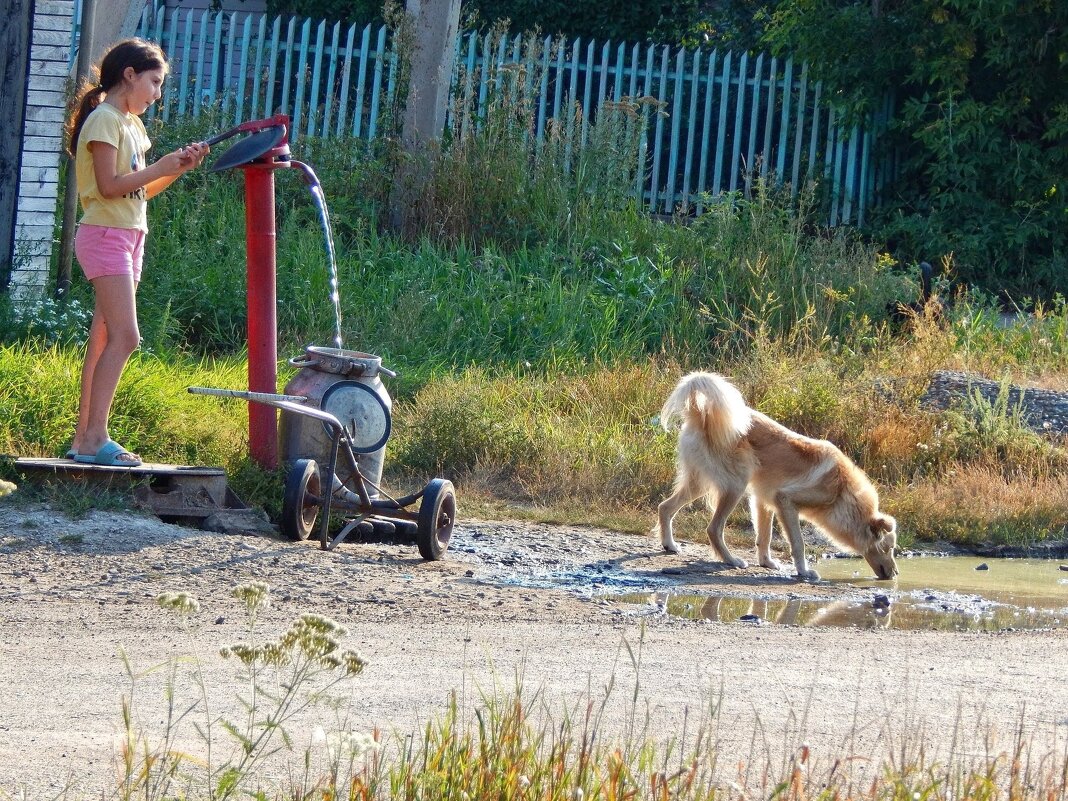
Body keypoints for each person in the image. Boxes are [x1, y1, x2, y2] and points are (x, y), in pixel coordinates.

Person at [64, 38, 209, 466]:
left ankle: (82, 440)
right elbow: (109, 187)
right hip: (105, 234)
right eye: (154, 82)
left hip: (129, 233)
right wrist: (159, 166)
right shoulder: (105, 120)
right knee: (127, 337)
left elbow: (140, 190)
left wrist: (174, 169)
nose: (157, 95)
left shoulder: (132, 126)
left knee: (105, 338)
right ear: (129, 75)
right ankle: (95, 438)